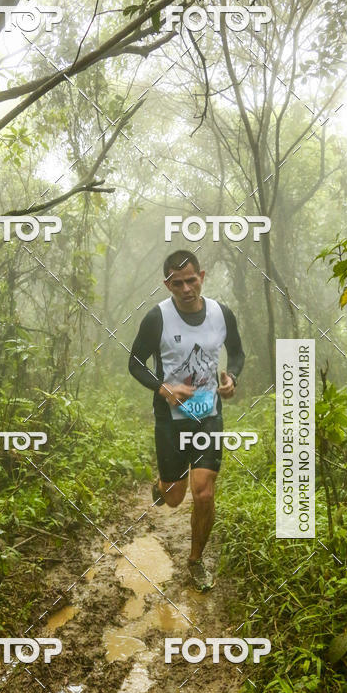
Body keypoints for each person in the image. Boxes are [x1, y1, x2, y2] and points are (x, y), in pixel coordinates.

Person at [128, 249, 245, 591]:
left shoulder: (221, 313)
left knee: (204, 493)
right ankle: (162, 485)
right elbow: (135, 362)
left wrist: (232, 378)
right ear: (168, 284)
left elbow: (237, 352)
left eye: (191, 280)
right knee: (175, 498)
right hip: (171, 419)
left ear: (202, 277)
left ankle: (195, 561)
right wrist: (163, 388)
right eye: (177, 283)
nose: (186, 289)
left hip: (208, 415)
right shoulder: (157, 318)